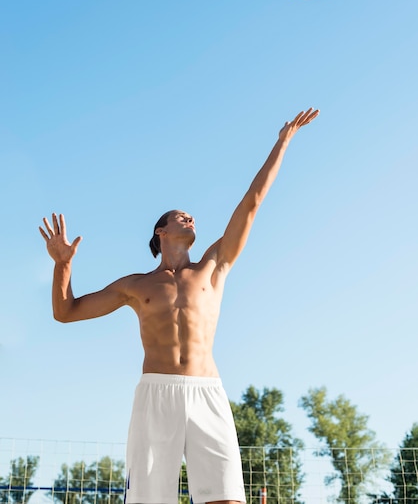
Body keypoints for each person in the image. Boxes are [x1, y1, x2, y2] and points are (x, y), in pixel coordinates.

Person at [39, 108, 319, 504]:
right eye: (180, 216)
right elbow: (64, 312)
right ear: (161, 231)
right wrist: (63, 266)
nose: (190, 217)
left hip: (208, 392)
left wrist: (283, 141)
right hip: (156, 394)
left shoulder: (212, 268)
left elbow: (252, 203)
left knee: (227, 499)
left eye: (191, 217)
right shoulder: (135, 286)